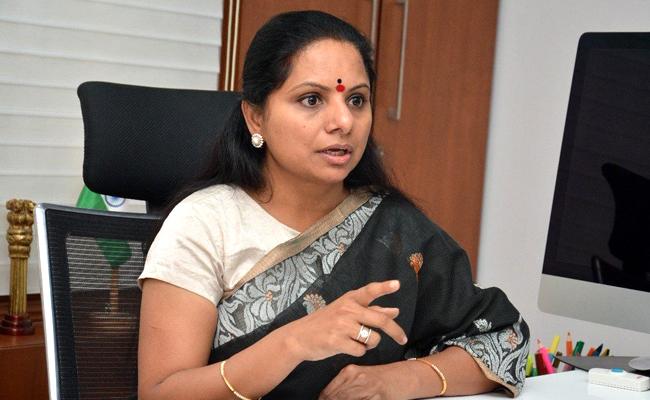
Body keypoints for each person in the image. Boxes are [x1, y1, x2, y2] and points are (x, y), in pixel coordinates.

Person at [137, 10, 529, 400]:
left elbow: (503, 339)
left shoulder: (394, 229)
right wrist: (293, 342)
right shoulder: (206, 223)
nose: (343, 121)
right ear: (256, 118)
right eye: (311, 99)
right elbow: (160, 393)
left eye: (357, 100)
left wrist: (398, 379)